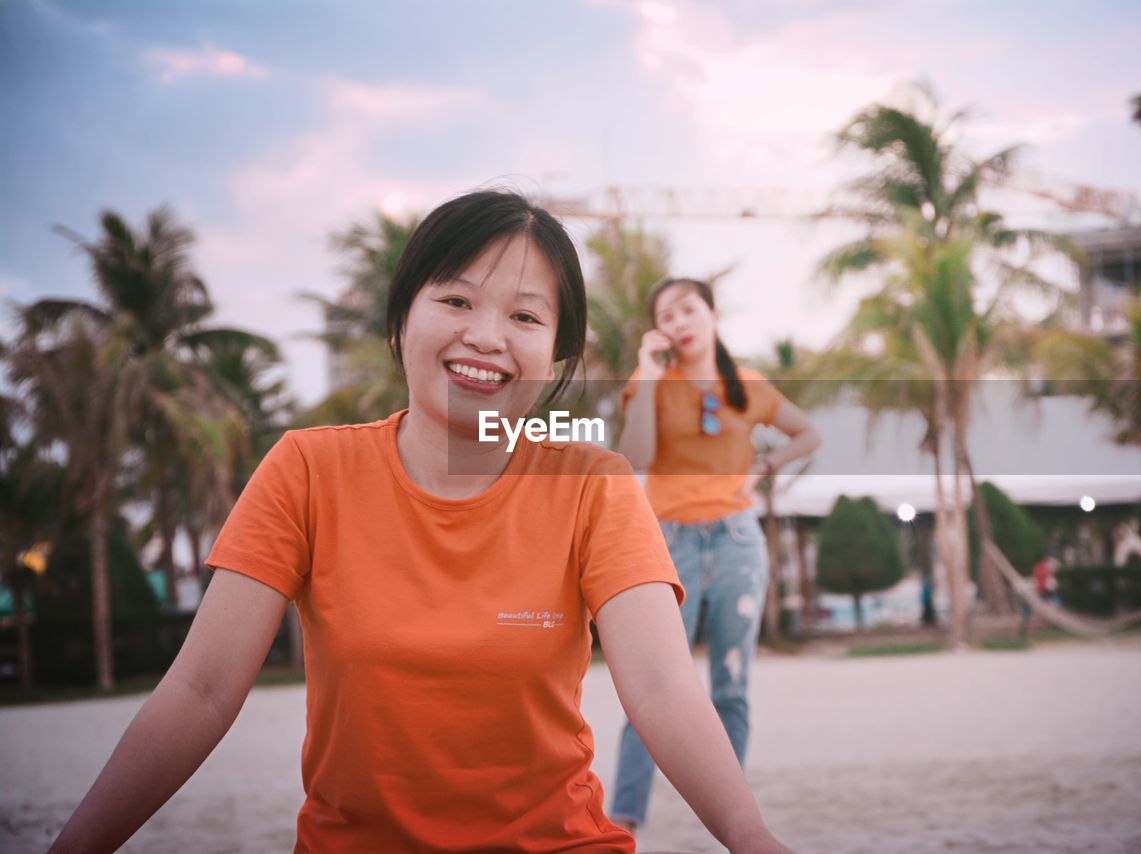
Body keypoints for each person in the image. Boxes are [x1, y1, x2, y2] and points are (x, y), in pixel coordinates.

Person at [50, 192, 790, 853]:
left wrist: (750, 837)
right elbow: (201, 692)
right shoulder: (307, 470)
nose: (488, 337)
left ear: (556, 352)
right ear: (402, 316)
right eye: (457, 301)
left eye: (525, 316)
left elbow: (662, 688)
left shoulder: (593, 486)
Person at [610, 277, 821, 833]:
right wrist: (650, 377)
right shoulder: (650, 381)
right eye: (667, 315)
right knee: (647, 686)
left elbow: (806, 433)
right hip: (669, 541)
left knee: (731, 685)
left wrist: (763, 469)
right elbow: (635, 456)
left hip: (737, 542)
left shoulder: (746, 384)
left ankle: (733, 825)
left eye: (688, 310)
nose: (679, 322)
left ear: (712, 315)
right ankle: (623, 819)